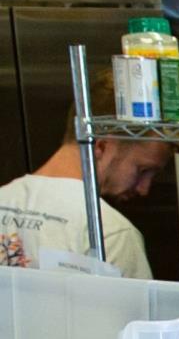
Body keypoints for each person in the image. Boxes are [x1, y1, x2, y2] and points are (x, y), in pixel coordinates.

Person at [0, 70, 168, 278]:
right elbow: (136, 311)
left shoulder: (4, 198)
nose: (144, 189)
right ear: (101, 147)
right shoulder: (111, 232)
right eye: (143, 170)